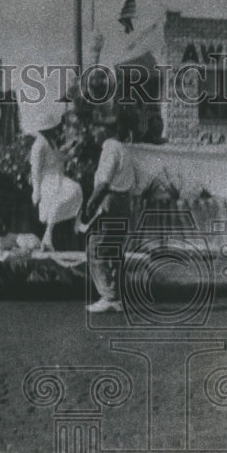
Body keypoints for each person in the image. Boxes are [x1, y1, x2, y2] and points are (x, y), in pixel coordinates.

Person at [83, 114, 138, 313]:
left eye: (98, 128)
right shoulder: (124, 148)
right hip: (123, 202)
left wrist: (91, 203)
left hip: (110, 200)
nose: (94, 133)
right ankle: (116, 295)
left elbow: (104, 182)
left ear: (107, 131)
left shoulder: (110, 148)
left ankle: (108, 295)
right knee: (114, 250)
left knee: (96, 246)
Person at [29, 105, 83, 251]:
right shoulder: (39, 145)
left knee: (76, 190)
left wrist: (72, 148)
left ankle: (77, 224)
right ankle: (49, 233)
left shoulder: (49, 142)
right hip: (49, 181)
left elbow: (58, 157)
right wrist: (36, 192)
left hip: (58, 178)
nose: (55, 130)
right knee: (65, 196)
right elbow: (35, 170)